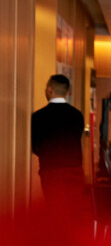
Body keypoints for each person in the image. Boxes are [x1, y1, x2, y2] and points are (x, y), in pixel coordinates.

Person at [31, 74, 88, 226]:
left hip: (51, 170)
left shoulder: (37, 117)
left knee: (55, 211)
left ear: (49, 90)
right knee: (75, 211)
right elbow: (77, 136)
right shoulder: (77, 115)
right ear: (67, 92)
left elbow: (35, 145)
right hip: (74, 170)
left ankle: (57, 245)